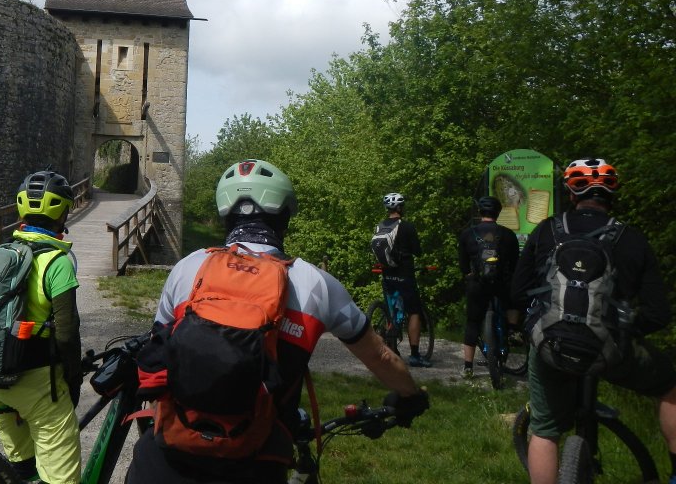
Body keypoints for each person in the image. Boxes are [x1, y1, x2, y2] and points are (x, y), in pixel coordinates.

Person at [125, 159, 429, 484]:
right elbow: (379, 356)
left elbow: (156, 357)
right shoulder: (316, 283)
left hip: (167, 458)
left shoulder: (188, 267)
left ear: (225, 216)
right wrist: (411, 396)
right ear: (283, 216)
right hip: (256, 462)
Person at [512, 158, 676, 484]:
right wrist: (624, 332)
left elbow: (517, 292)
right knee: (672, 387)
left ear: (570, 194)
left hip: (550, 346)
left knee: (544, 430)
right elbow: (659, 314)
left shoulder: (547, 230)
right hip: (610, 350)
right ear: (612, 196)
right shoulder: (632, 239)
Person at [0, 170, 83, 484]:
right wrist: (73, 379)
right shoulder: (57, 261)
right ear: (62, 212)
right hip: (33, 379)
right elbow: (66, 332)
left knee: (22, 469)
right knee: (62, 477)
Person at [457, 195, 520, 378]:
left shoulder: (468, 234)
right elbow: (515, 264)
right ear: (498, 213)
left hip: (477, 284)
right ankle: (513, 330)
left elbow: (463, 265)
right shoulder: (508, 235)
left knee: (472, 322)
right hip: (501, 284)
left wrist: (469, 276)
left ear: (480, 212)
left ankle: (468, 367)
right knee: (513, 301)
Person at [375, 192, 429, 367]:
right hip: (404, 274)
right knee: (414, 312)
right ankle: (414, 355)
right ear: (399, 207)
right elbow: (417, 251)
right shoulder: (406, 226)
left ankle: (390, 333)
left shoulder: (380, 226)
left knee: (392, 309)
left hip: (386, 274)